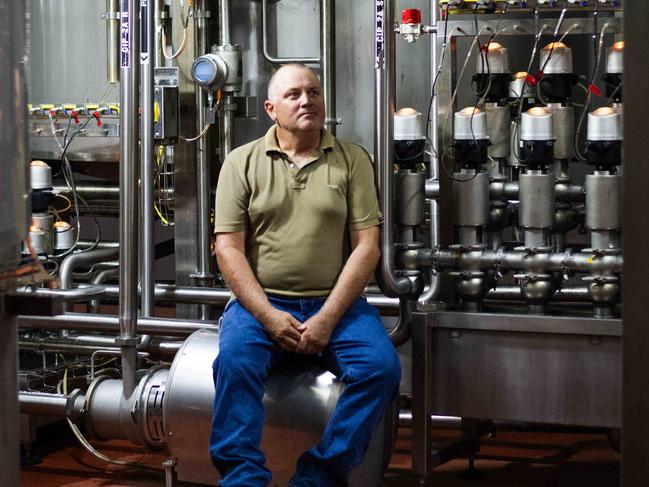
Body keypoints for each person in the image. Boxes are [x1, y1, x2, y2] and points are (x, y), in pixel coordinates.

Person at [210, 63, 401, 487]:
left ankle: (318, 477)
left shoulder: (353, 159)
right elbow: (228, 250)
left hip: (336, 304)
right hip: (262, 302)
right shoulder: (241, 162)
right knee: (234, 364)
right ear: (270, 108)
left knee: (381, 368)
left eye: (313, 92)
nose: (306, 100)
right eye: (294, 94)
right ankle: (243, 478)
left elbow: (367, 247)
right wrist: (267, 315)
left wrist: (328, 317)